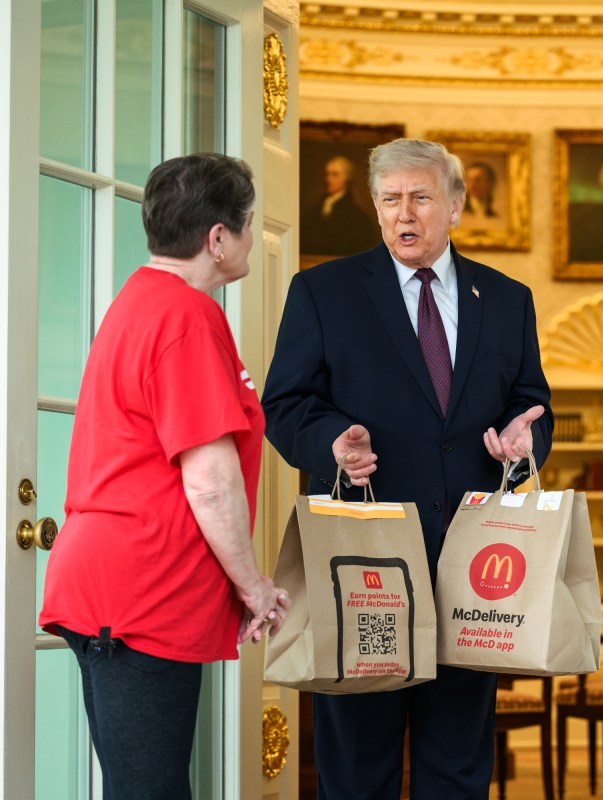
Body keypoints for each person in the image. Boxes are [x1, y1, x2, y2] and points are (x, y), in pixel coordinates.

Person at [261, 138, 553, 799]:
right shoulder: (323, 292)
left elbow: (531, 405)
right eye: (390, 199)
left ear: (455, 204)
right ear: (374, 205)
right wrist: (332, 440)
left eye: (421, 197)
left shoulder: (507, 299)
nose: (405, 214)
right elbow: (285, 404)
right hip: (365, 563)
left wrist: (521, 442)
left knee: (457, 763)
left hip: (472, 569)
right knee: (359, 767)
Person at [39, 153, 290, 799]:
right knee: (150, 790)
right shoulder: (187, 316)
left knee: (138, 785)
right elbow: (209, 477)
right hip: (143, 591)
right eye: (246, 226)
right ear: (217, 238)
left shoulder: (140, 300)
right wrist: (255, 586)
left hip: (111, 586)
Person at [301, 154, 379, 255]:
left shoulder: (357, 216)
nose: (328, 179)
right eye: (327, 174)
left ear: (346, 179)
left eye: (335, 174)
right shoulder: (314, 211)